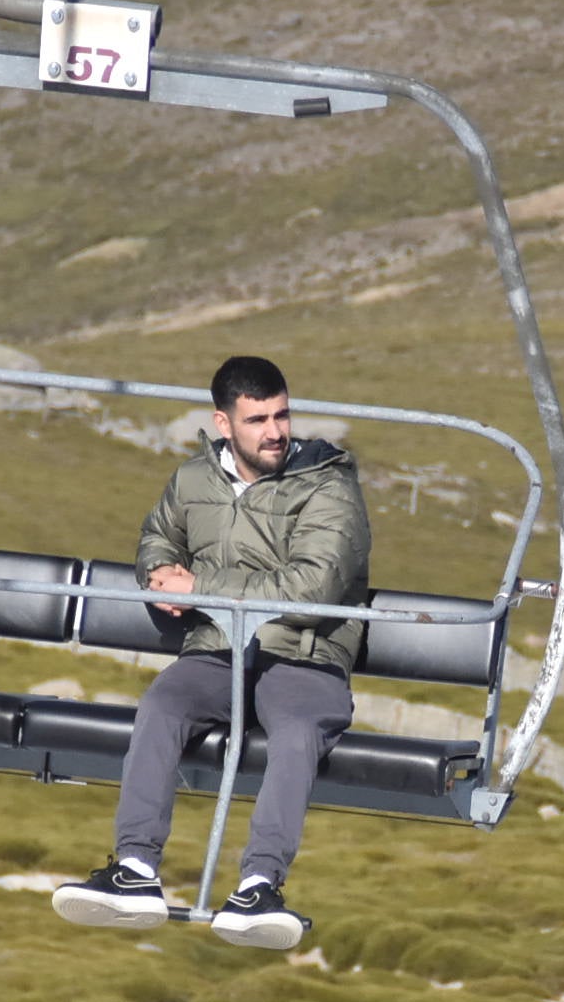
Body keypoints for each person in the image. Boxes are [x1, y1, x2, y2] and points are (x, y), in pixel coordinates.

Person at [53, 354, 368, 950]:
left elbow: (314, 592)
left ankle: (259, 885)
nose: (275, 432)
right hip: (217, 653)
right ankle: (135, 870)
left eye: (282, 415)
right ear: (224, 424)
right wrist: (158, 573)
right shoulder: (194, 480)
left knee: (297, 730)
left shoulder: (328, 484)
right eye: (257, 420)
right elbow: (157, 536)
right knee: (162, 707)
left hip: (303, 654)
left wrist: (199, 588)